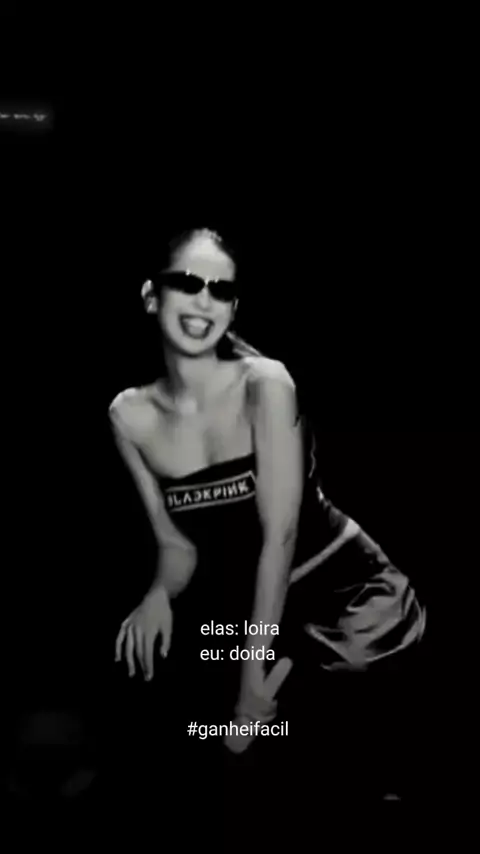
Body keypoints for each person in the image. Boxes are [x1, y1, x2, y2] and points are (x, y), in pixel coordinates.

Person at [109, 227, 426, 813]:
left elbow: (279, 537)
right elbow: (177, 545)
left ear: (233, 308)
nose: (204, 300)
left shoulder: (268, 384)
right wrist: (157, 592)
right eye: (188, 283)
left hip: (348, 597)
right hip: (258, 614)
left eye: (221, 290)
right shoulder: (128, 414)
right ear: (152, 296)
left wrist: (252, 682)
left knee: (326, 768)